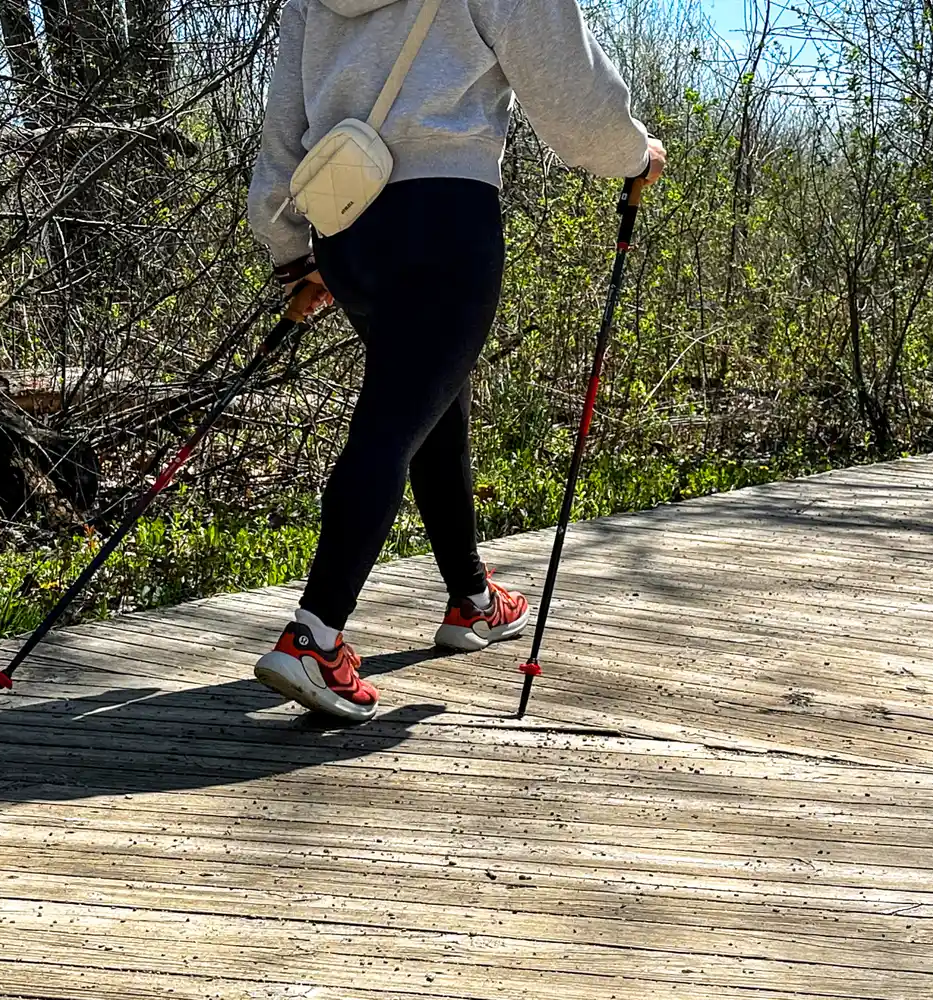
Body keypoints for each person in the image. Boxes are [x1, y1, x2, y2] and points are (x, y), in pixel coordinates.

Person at [246, 0, 668, 721]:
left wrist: (291, 248)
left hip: (346, 226)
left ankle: (472, 598)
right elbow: (570, 94)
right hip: (445, 221)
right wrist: (634, 153)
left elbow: (284, 125)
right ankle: (315, 636)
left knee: (425, 397)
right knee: (392, 419)